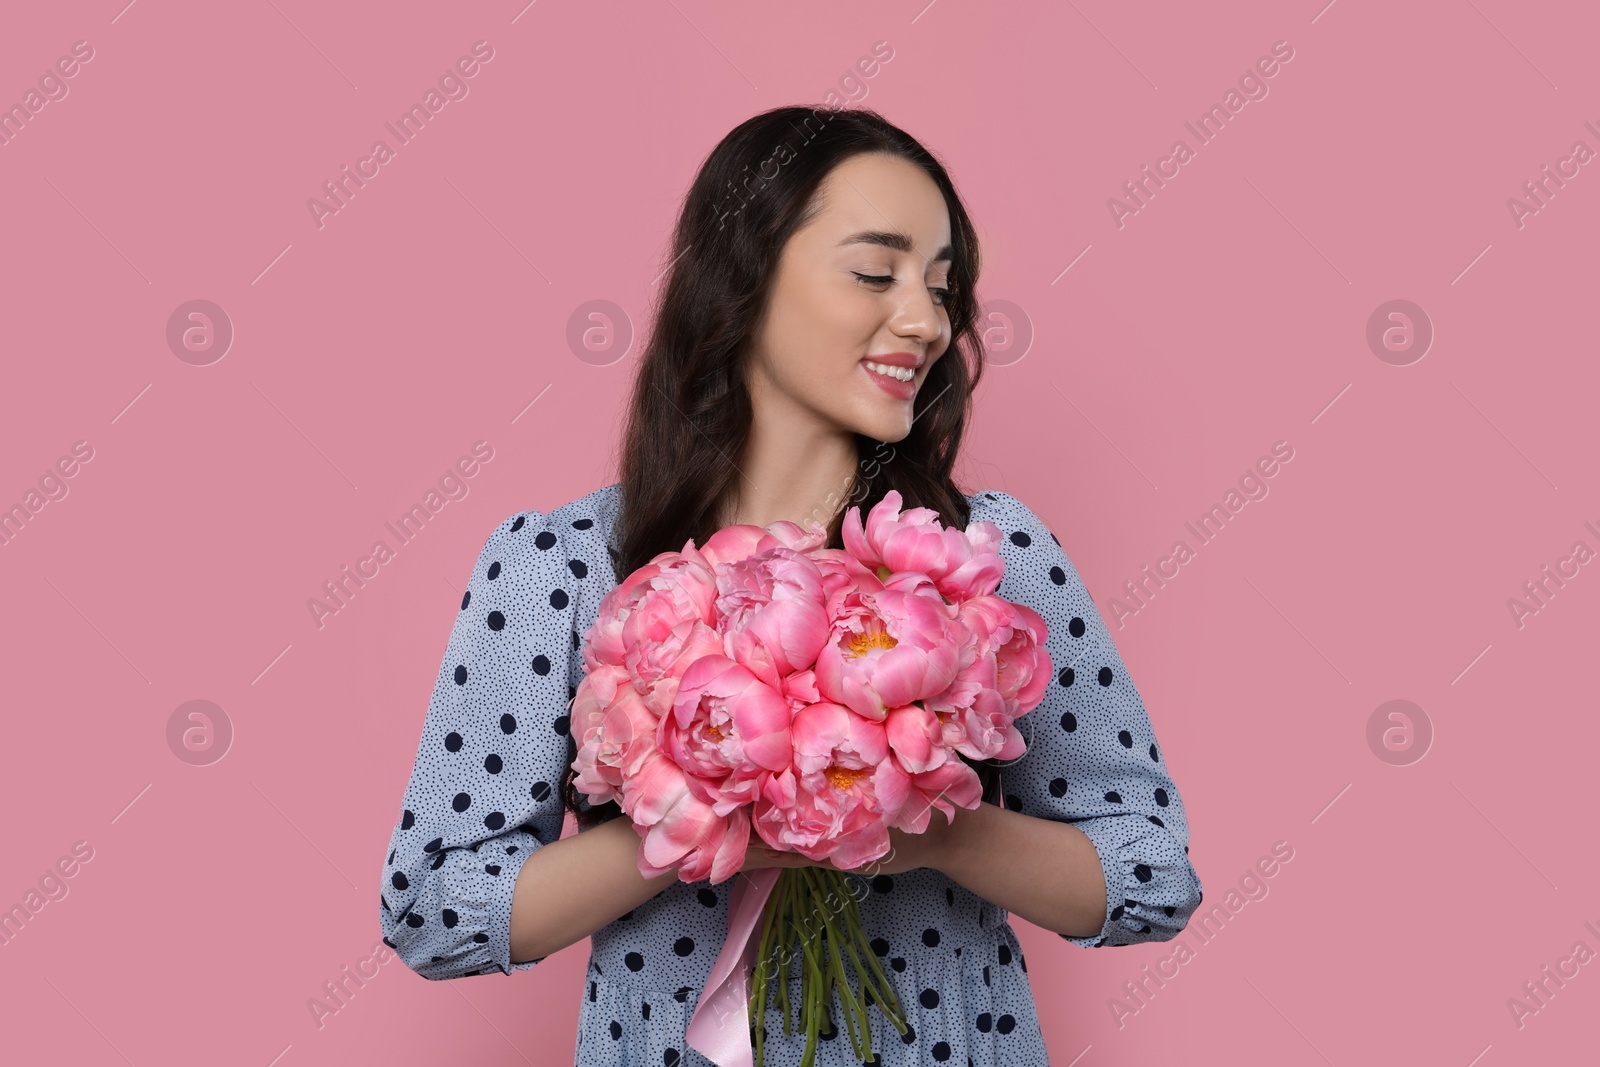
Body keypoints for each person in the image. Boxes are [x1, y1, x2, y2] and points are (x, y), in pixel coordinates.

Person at [379, 104, 1203, 1066]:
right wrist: (705, 825)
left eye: (943, 287)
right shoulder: (559, 567)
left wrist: (929, 830)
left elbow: (1150, 873)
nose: (926, 321)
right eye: (875, 272)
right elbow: (433, 906)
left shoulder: (986, 558)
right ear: (744, 276)